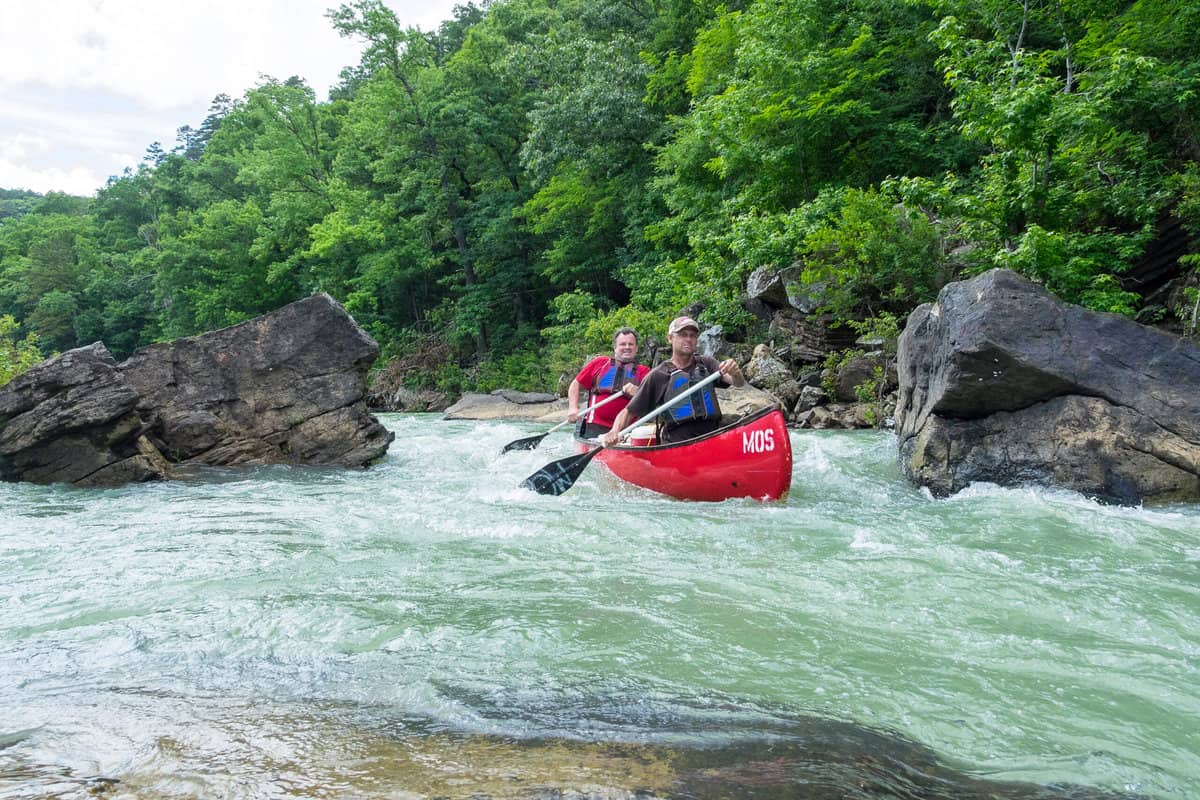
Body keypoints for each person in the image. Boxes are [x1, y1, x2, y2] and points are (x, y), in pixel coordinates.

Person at [604, 316, 745, 446]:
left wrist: (736, 372)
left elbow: (738, 383)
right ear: (670, 338)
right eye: (683, 335)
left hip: (712, 436)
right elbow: (629, 411)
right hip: (677, 442)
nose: (689, 339)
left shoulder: (707, 363)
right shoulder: (658, 375)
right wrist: (614, 431)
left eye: (692, 335)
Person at [567, 327, 651, 437]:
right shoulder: (599, 363)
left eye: (631, 344)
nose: (627, 347)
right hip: (595, 427)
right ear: (615, 347)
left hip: (626, 431)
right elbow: (576, 384)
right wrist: (573, 407)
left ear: (636, 348)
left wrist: (639, 392)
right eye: (622, 344)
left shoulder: (645, 372)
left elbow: (652, 401)